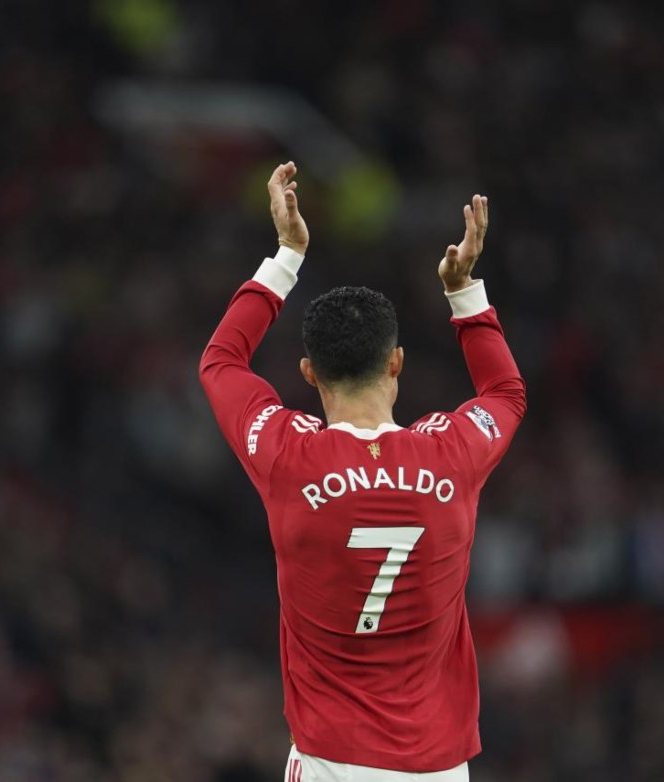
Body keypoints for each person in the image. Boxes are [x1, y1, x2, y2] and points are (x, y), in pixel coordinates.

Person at [199, 162, 526, 781]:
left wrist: (287, 255)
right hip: (437, 767)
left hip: (332, 760)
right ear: (396, 362)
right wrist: (464, 291)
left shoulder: (288, 456)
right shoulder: (451, 453)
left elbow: (221, 362)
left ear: (309, 373)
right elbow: (506, 393)